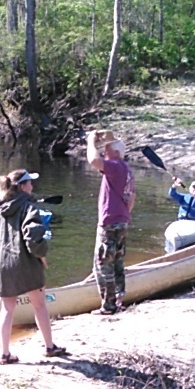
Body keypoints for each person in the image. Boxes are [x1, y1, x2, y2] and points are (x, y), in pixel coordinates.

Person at [0, 169, 69, 364]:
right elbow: (33, 238)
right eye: (30, 182)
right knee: (40, 306)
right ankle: (49, 347)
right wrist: (41, 254)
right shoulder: (29, 209)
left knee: (7, 309)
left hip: (1, 267)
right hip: (27, 267)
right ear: (22, 187)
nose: (32, 185)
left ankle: (5, 354)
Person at [86, 129, 135, 315]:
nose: (104, 151)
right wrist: (123, 214)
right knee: (117, 263)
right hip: (122, 221)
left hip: (109, 223)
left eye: (106, 149)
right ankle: (119, 298)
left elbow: (93, 160)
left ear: (114, 152)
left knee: (103, 263)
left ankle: (108, 306)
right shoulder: (126, 169)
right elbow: (132, 197)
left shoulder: (114, 166)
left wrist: (91, 141)